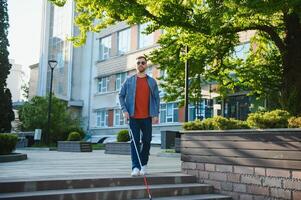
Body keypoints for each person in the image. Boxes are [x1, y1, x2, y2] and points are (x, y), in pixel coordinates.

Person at [119, 55, 160, 176]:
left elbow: (157, 98)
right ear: (136, 65)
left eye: (143, 62)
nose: (140, 64)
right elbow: (121, 95)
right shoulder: (129, 81)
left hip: (147, 117)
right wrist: (124, 110)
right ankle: (135, 167)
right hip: (133, 117)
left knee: (147, 141)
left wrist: (156, 114)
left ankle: (144, 164)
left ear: (146, 65)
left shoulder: (152, 82)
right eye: (138, 63)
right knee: (134, 142)